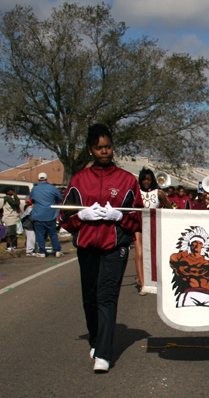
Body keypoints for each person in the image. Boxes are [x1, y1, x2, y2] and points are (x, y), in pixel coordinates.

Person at [59, 123, 143, 373]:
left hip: (114, 247)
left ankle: (104, 354)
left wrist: (120, 217)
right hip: (87, 246)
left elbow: (137, 219)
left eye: (107, 147)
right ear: (90, 150)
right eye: (98, 148)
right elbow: (64, 220)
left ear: (112, 147)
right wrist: (81, 216)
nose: (104, 152)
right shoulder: (79, 180)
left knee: (107, 296)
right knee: (90, 298)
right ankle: (96, 341)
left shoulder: (128, 181)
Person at [135, 168, 170, 295]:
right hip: (138, 226)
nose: (146, 182)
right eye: (144, 179)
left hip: (154, 227)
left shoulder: (159, 193)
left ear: (152, 180)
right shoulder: (136, 192)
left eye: (148, 179)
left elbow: (169, 207)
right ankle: (142, 284)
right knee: (139, 254)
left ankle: (158, 280)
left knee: (156, 254)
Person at [29, 172, 63, 258]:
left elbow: (32, 199)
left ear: (38, 179)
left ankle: (42, 251)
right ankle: (57, 250)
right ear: (46, 179)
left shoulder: (35, 189)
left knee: (40, 234)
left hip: (38, 214)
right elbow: (59, 198)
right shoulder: (52, 188)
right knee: (53, 233)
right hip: (50, 214)